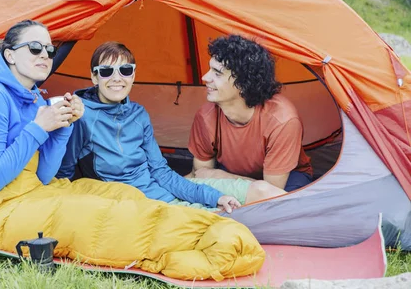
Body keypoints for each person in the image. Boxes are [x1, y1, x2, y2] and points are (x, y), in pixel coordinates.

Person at [57, 42, 279, 213]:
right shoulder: (81, 115)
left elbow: (161, 172)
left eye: (125, 70)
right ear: (94, 78)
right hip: (141, 207)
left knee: (254, 196)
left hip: (165, 193)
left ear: (133, 75)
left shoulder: (138, 114)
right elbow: (64, 175)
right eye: (106, 71)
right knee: (234, 219)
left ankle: (309, 211)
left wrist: (212, 196)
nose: (117, 78)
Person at [0, 19, 84, 191]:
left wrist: (63, 125)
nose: (44, 55)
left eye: (50, 50)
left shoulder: (35, 100)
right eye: (35, 47)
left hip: (18, 193)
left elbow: (42, 176)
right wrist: (39, 127)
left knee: (120, 196)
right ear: (10, 55)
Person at [188, 35, 313, 192]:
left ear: (243, 84)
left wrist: (222, 176)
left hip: (285, 179)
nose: (205, 77)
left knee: (276, 210)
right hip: (231, 171)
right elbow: (200, 175)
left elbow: (269, 192)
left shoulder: (282, 121)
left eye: (217, 73)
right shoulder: (206, 116)